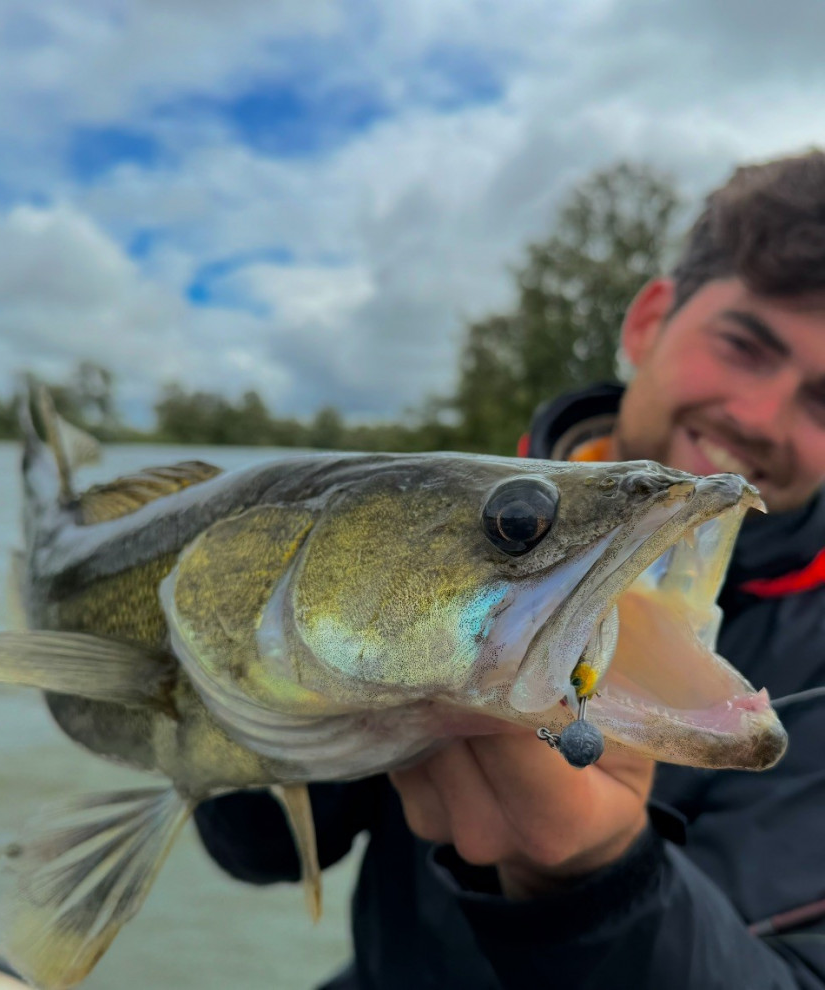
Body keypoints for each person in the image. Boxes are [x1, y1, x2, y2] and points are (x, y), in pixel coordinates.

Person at [194, 150, 825, 989]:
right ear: (649, 323)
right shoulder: (418, 524)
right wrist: (224, 709)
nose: (758, 417)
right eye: (744, 344)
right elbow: (268, 853)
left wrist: (599, 884)